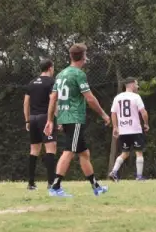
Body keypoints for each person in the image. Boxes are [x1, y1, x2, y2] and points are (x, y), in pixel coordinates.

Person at [44, 43, 111, 197]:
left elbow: (53, 99)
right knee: (69, 151)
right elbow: (90, 98)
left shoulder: (60, 74)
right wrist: (103, 114)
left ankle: (96, 187)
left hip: (65, 117)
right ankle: (55, 187)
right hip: (74, 118)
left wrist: (51, 120)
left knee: (84, 153)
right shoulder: (78, 74)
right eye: (86, 55)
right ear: (84, 57)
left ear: (71, 56)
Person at [24, 59, 57, 190]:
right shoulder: (51, 82)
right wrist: (56, 118)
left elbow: (26, 103)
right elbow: (53, 100)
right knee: (51, 148)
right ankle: (51, 183)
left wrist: (27, 120)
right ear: (50, 68)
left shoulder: (31, 83)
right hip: (45, 117)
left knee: (34, 150)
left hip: (32, 118)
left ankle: (31, 183)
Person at [108, 77, 149, 182]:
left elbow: (113, 113)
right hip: (135, 129)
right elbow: (143, 112)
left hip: (123, 130)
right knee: (139, 152)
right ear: (131, 84)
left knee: (125, 152)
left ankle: (114, 172)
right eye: (136, 84)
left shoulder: (117, 97)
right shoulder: (136, 97)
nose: (137, 86)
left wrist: (115, 127)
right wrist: (146, 123)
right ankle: (139, 176)